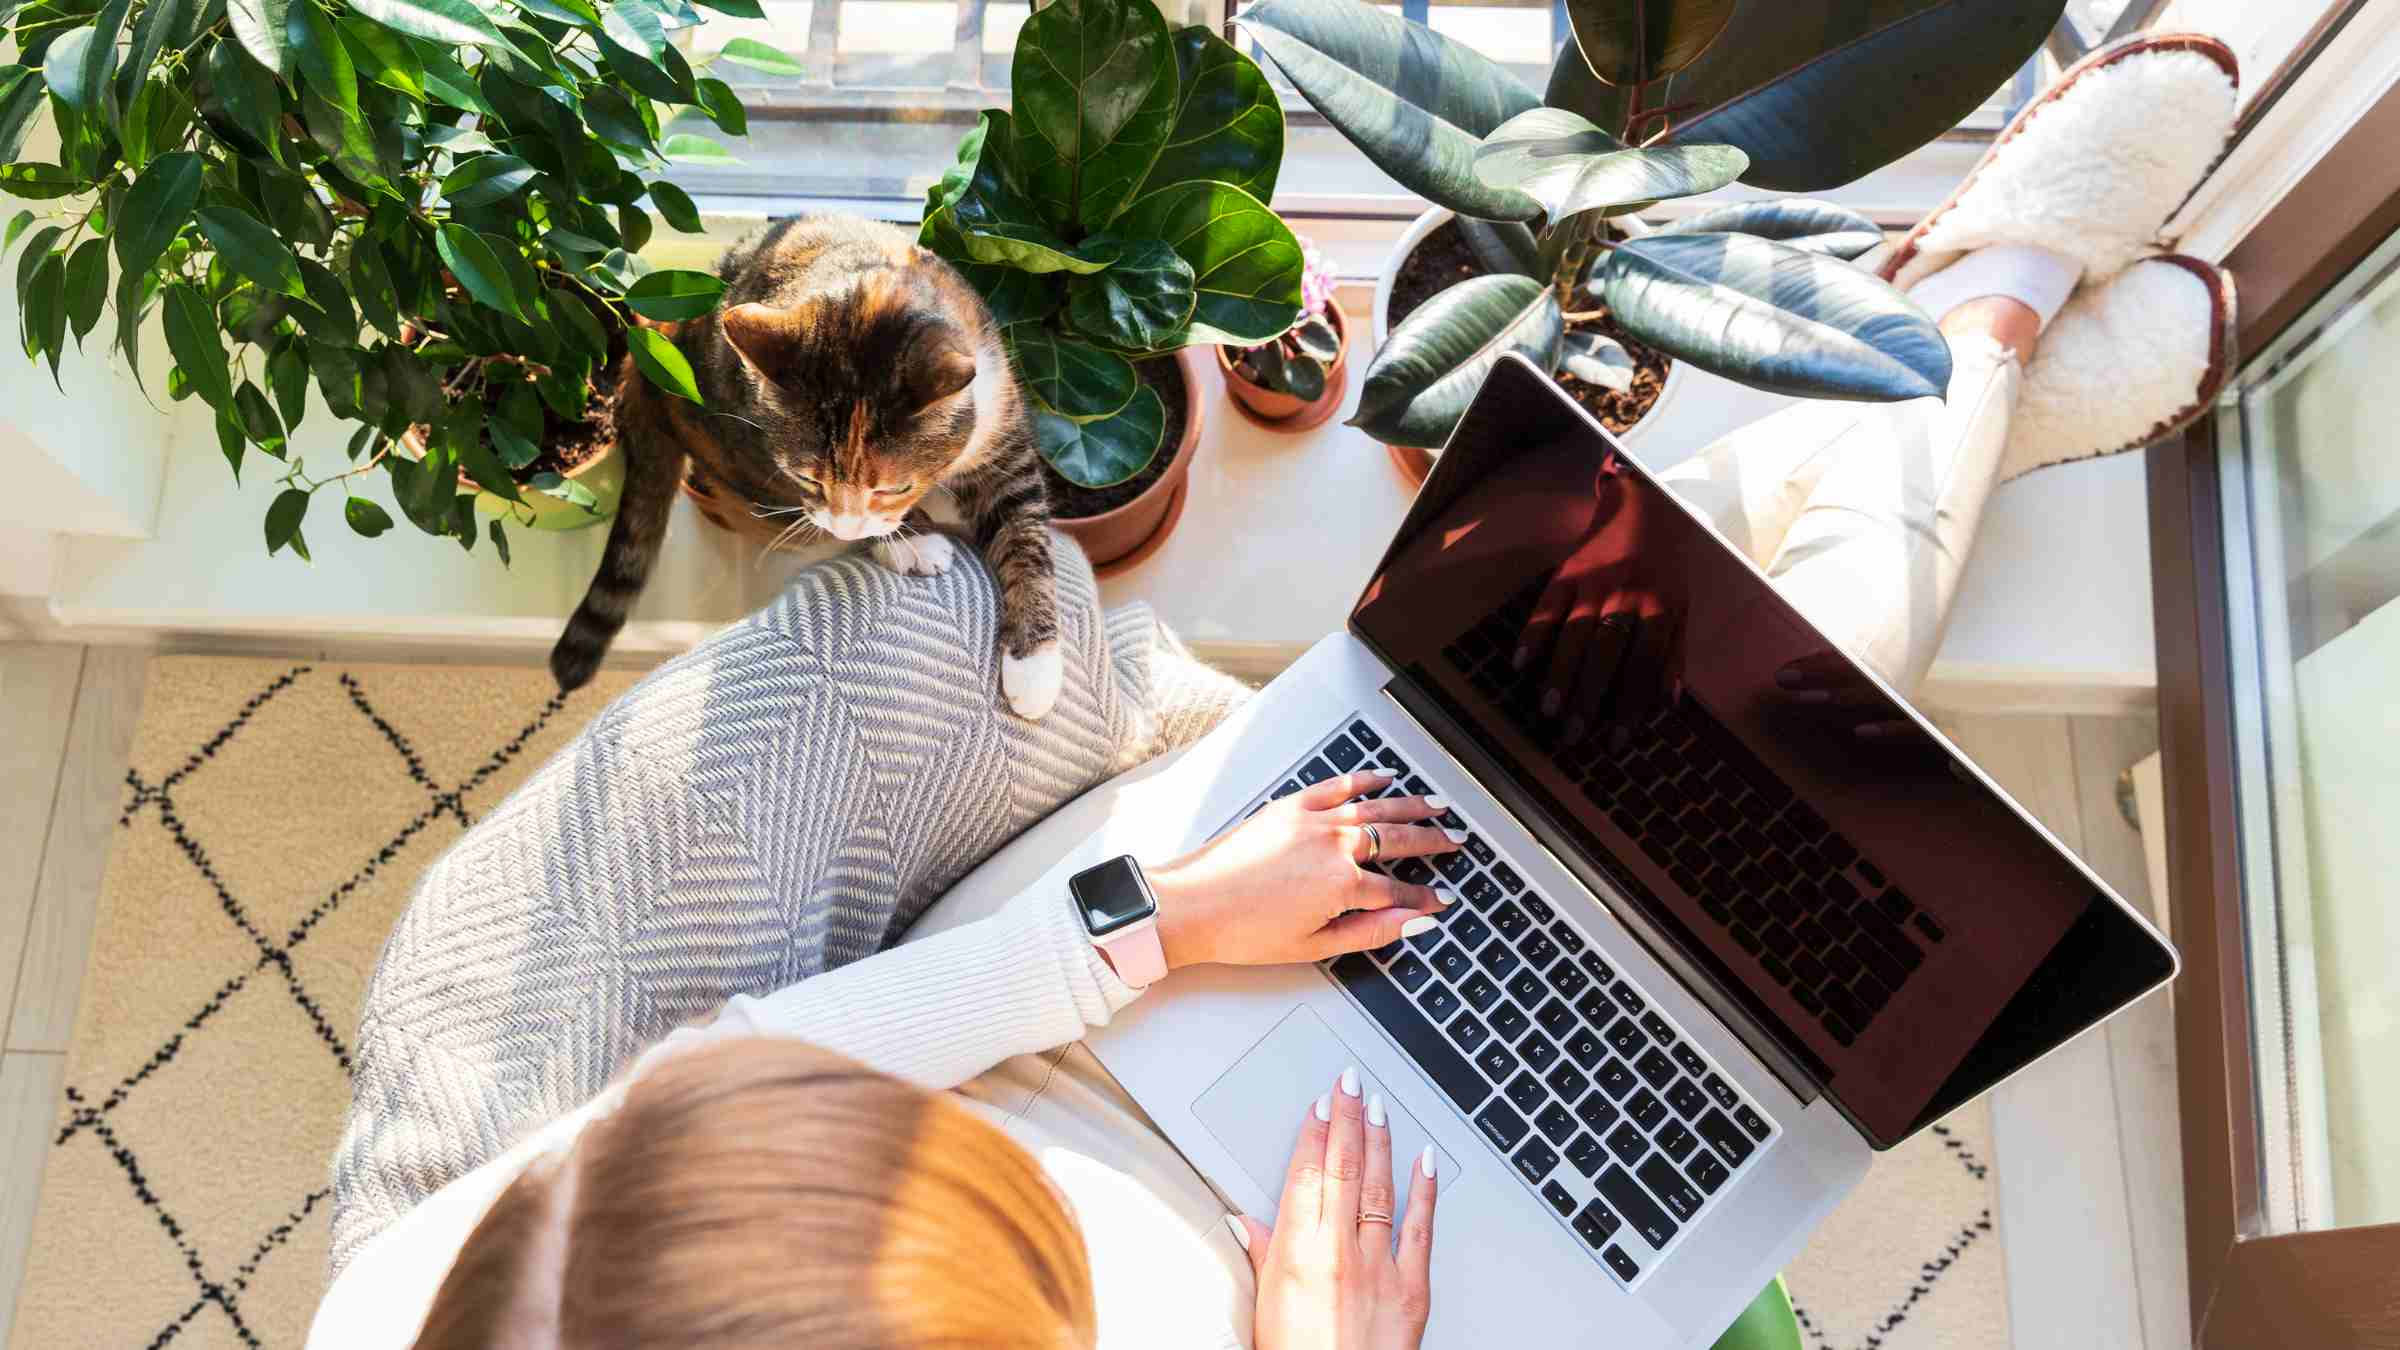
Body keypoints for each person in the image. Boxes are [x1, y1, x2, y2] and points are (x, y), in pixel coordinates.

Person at [311, 32, 2240, 1350]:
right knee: (1728, 810)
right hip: (1325, 1275)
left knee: (1589, 713)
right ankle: (1966, 346)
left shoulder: (465, 1293)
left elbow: (723, 1060)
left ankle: (1966, 340)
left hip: (1070, 1015)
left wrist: (1151, 927)